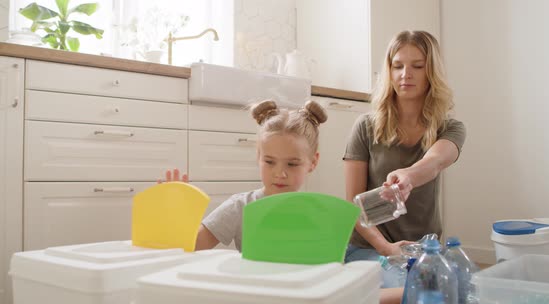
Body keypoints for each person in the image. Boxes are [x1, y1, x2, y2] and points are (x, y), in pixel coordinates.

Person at [343, 30, 466, 287]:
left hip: (424, 249)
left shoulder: (450, 128)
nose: (405, 74)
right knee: (405, 293)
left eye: (417, 66)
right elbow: (353, 205)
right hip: (371, 248)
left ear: (430, 71)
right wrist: (387, 248)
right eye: (397, 66)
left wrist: (409, 176)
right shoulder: (365, 127)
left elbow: (435, 161)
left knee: (458, 293)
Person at [160, 99, 327, 251]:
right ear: (258, 156)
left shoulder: (318, 212)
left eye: (292, 164)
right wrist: (177, 213)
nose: (280, 173)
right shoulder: (240, 207)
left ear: (313, 162)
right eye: (269, 162)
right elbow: (193, 245)